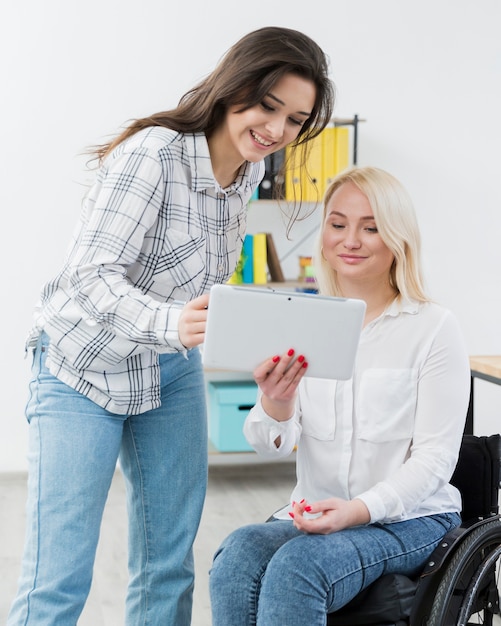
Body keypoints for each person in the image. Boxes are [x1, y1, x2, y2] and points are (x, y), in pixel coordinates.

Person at [7, 26, 335, 626]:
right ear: (235, 85)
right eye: (268, 106)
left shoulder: (247, 178)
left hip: (168, 369)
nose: (277, 130)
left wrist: (253, 326)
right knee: (59, 575)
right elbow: (88, 276)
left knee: (169, 565)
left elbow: (200, 286)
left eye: (295, 120)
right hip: (82, 367)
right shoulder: (154, 154)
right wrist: (169, 321)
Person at [209, 166, 471, 626]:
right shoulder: (302, 321)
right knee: (237, 555)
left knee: (298, 568)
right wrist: (277, 403)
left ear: (397, 237)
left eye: (371, 227)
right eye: (337, 224)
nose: (350, 240)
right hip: (316, 511)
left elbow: (433, 462)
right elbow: (265, 441)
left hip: (409, 520)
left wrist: (356, 511)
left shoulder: (433, 328)